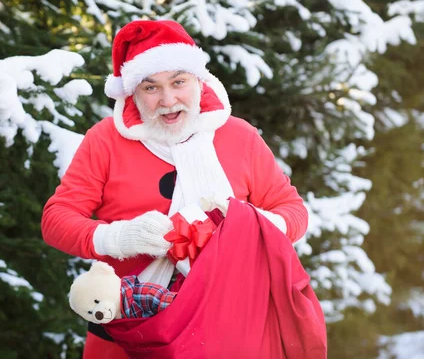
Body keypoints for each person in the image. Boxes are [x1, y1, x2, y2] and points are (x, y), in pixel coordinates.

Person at [41, 19, 308, 359]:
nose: (168, 100)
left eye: (178, 82)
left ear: (199, 81)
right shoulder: (105, 140)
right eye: (150, 88)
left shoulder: (239, 137)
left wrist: (244, 225)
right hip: (130, 333)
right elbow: (56, 221)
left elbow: (294, 213)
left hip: (230, 331)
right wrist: (120, 238)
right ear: (132, 93)